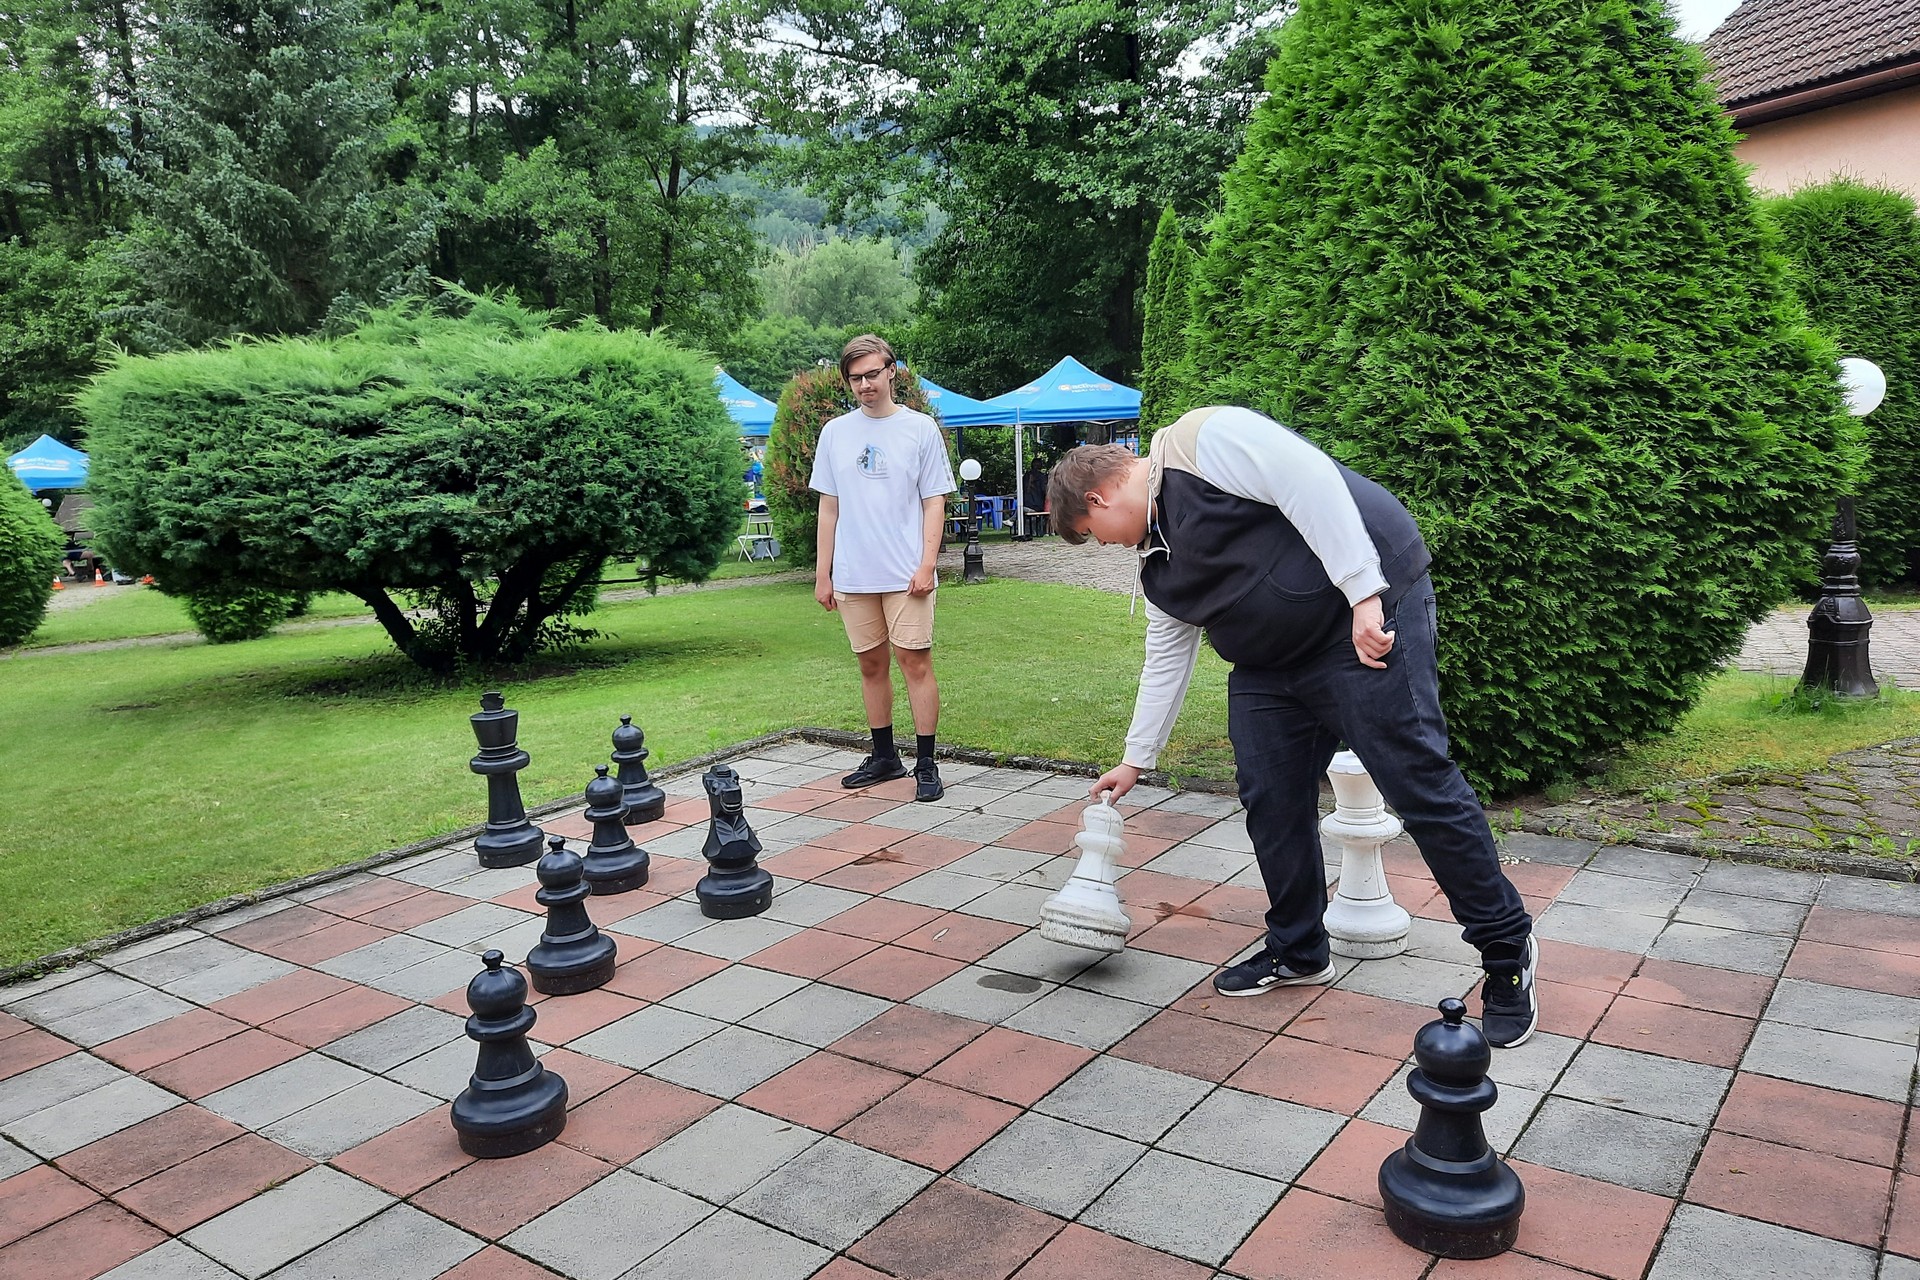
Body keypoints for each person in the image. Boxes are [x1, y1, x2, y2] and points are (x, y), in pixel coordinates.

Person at [1048, 405, 1539, 1047]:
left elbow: (1309, 480)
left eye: (1094, 532)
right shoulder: (1156, 561)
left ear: (1099, 497)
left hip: (1360, 621)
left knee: (1418, 783)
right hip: (1269, 664)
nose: (1107, 545)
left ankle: (1506, 951)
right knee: (1270, 796)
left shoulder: (1201, 441)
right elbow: (1167, 653)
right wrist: (1136, 758)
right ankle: (1299, 949)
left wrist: (1363, 594)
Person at [811, 335, 956, 801]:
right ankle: (884, 756)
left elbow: (934, 501)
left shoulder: (919, 429)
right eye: (855, 378)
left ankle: (926, 763)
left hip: (906, 574)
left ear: (891, 370)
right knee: (870, 665)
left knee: (915, 662)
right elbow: (829, 507)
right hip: (854, 574)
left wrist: (927, 564)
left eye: (872, 374)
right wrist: (823, 573)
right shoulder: (835, 433)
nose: (865, 385)